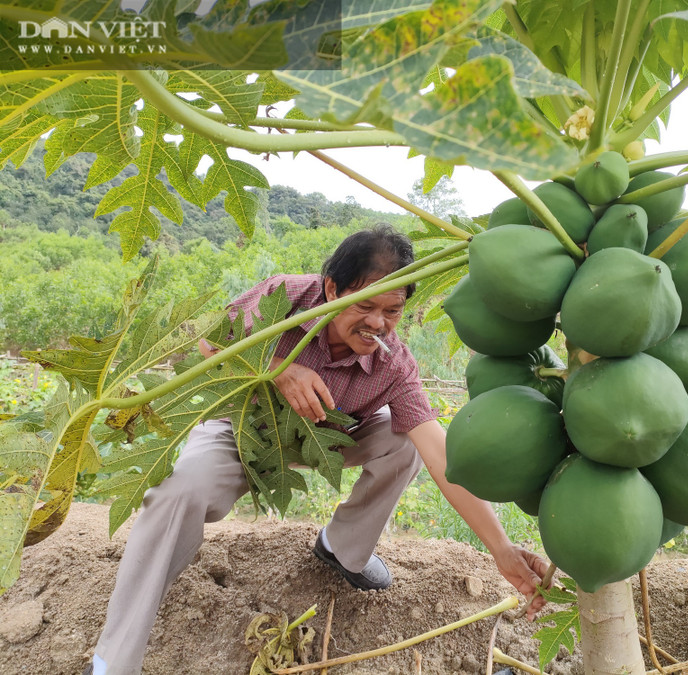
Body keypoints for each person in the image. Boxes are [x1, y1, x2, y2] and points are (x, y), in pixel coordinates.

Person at [86, 224, 549, 675]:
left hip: (328, 441)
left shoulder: (396, 364)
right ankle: (114, 661)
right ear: (331, 288)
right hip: (241, 435)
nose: (377, 324)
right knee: (177, 493)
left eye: (392, 312)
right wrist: (277, 371)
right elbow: (210, 342)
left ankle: (343, 549)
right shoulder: (282, 296)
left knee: (407, 440)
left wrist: (502, 549)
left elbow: (442, 455)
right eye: (364, 305)